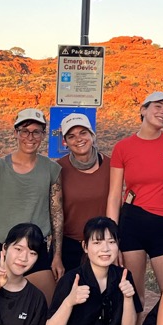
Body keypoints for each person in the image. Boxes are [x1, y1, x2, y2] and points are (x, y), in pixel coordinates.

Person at [108, 92, 163, 313]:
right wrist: (112, 237)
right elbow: (115, 195)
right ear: (143, 110)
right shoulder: (123, 147)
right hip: (132, 221)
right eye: (158, 107)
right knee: (133, 295)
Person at [0, 108, 64, 302]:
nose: (30, 137)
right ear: (16, 133)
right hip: (0, 248)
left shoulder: (51, 170)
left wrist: (56, 255)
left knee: (46, 306)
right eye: (25, 130)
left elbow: (57, 214)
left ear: (43, 135)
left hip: (35, 247)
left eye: (36, 131)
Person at [56, 112, 111, 273]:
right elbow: (55, 212)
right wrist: (57, 255)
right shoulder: (58, 169)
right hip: (70, 245)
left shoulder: (111, 166)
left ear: (92, 135)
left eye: (83, 133)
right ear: (65, 142)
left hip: (104, 244)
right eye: (71, 136)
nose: (78, 139)